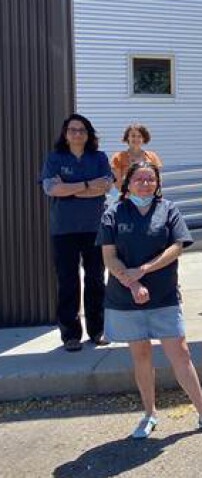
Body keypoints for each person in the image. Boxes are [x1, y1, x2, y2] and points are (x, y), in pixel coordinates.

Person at [99, 162, 202, 438]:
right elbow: (109, 257)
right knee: (141, 355)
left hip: (164, 295)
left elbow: (176, 247)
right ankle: (149, 414)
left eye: (151, 179)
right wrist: (133, 282)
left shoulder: (169, 209)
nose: (145, 184)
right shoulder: (113, 213)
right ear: (127, 184)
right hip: (126, 297)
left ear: (158, 183)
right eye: (139, 179)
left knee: (181, 353)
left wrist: (144, 270)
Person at [40, 113, 114, 352]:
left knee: (96, 280)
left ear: (88, 134)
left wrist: (69, 188)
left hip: (95, 228)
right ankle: (70, 335)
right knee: (68, 281)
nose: (77, 134)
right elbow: (51, 189)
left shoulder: (99, 158)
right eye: (72, 130)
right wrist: (86, 185)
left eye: (82, 130)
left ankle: (97, 330)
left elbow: (106, 186)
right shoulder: (55, 158)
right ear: (65, 134)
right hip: (64, 229)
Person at [110, 123, 163, 190]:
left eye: (139, 136)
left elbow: (158, 180)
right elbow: (117, 183)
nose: (136, 139)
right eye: (133, 136)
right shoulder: (118, 157)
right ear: (127, 138)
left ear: (144, 138)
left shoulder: (152, 156)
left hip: (149, 194)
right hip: (127, 194)